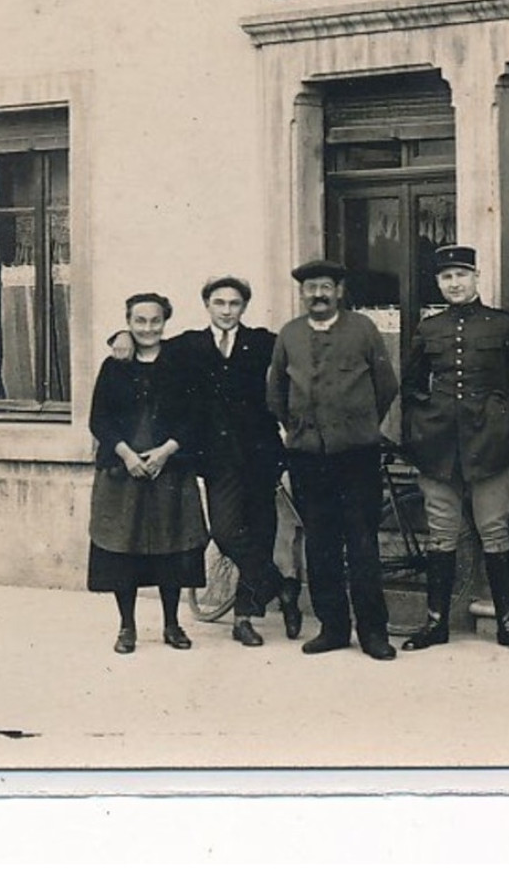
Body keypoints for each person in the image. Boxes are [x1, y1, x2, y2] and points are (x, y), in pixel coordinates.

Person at [111, 277, 301, 647]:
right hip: (218, 458)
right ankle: (282, 586)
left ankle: (244, 619)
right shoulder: (187, 346)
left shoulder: (265, 342)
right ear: (207, 306)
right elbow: (148, 341)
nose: (227, 310)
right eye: (219, 303)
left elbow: (299, 357)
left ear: (244, 307)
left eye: (234, 304)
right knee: (227, 532)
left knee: (261, 534)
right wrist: (122, 335)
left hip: (262, 455)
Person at [399, 244, 509, 654]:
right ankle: (436, 624)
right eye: (446, 277)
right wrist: (419, 428)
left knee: (495, 531)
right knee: (441, 535)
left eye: (461, 275)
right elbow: (410, 386)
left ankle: (507, 624)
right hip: (439, 448)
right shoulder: (429, 329)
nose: (454, 283)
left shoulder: (502, 325)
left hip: (490, 446)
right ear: (438, 283)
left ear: (477, 277)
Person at [267, 259, 401, 661]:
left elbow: (386, 386)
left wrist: (359, 426)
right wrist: (299, 429)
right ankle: (332, 628)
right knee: (320, 545)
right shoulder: (289, 334)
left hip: (357, 456)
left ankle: (373, 632)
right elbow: (275, 391)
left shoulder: (363, 329)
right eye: (310, 288)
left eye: (325, 287)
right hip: (308, 457)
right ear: (302, 294)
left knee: (362, 544)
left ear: (339, 291)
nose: (318, 294)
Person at [87, 293, 208, 654]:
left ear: (165, 322)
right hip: (123, 472)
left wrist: (166, 451)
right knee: (122, 549)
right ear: (128, 322)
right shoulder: (114, 365)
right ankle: (127, 627)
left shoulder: (182, 362)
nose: (147, 328)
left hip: (168, 471)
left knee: (171, 549)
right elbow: (99, 419)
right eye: (139, 321)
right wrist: (126, 455)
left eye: (155, 321)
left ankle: (172, 625)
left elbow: (194, 415)